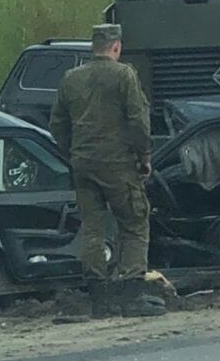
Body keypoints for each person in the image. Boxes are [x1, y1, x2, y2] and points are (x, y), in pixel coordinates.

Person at [49, 24, 165, 317]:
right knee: (134, 222)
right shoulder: (124, 75)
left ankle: (99, 298)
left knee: (92, 228)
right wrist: (144, 156)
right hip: (118, 164)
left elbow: (57, 125)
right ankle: (132, 294)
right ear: (116, 47)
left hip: (83, 165)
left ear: (93, 47)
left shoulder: (71, 79)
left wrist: (72, 154)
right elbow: (138, 121)